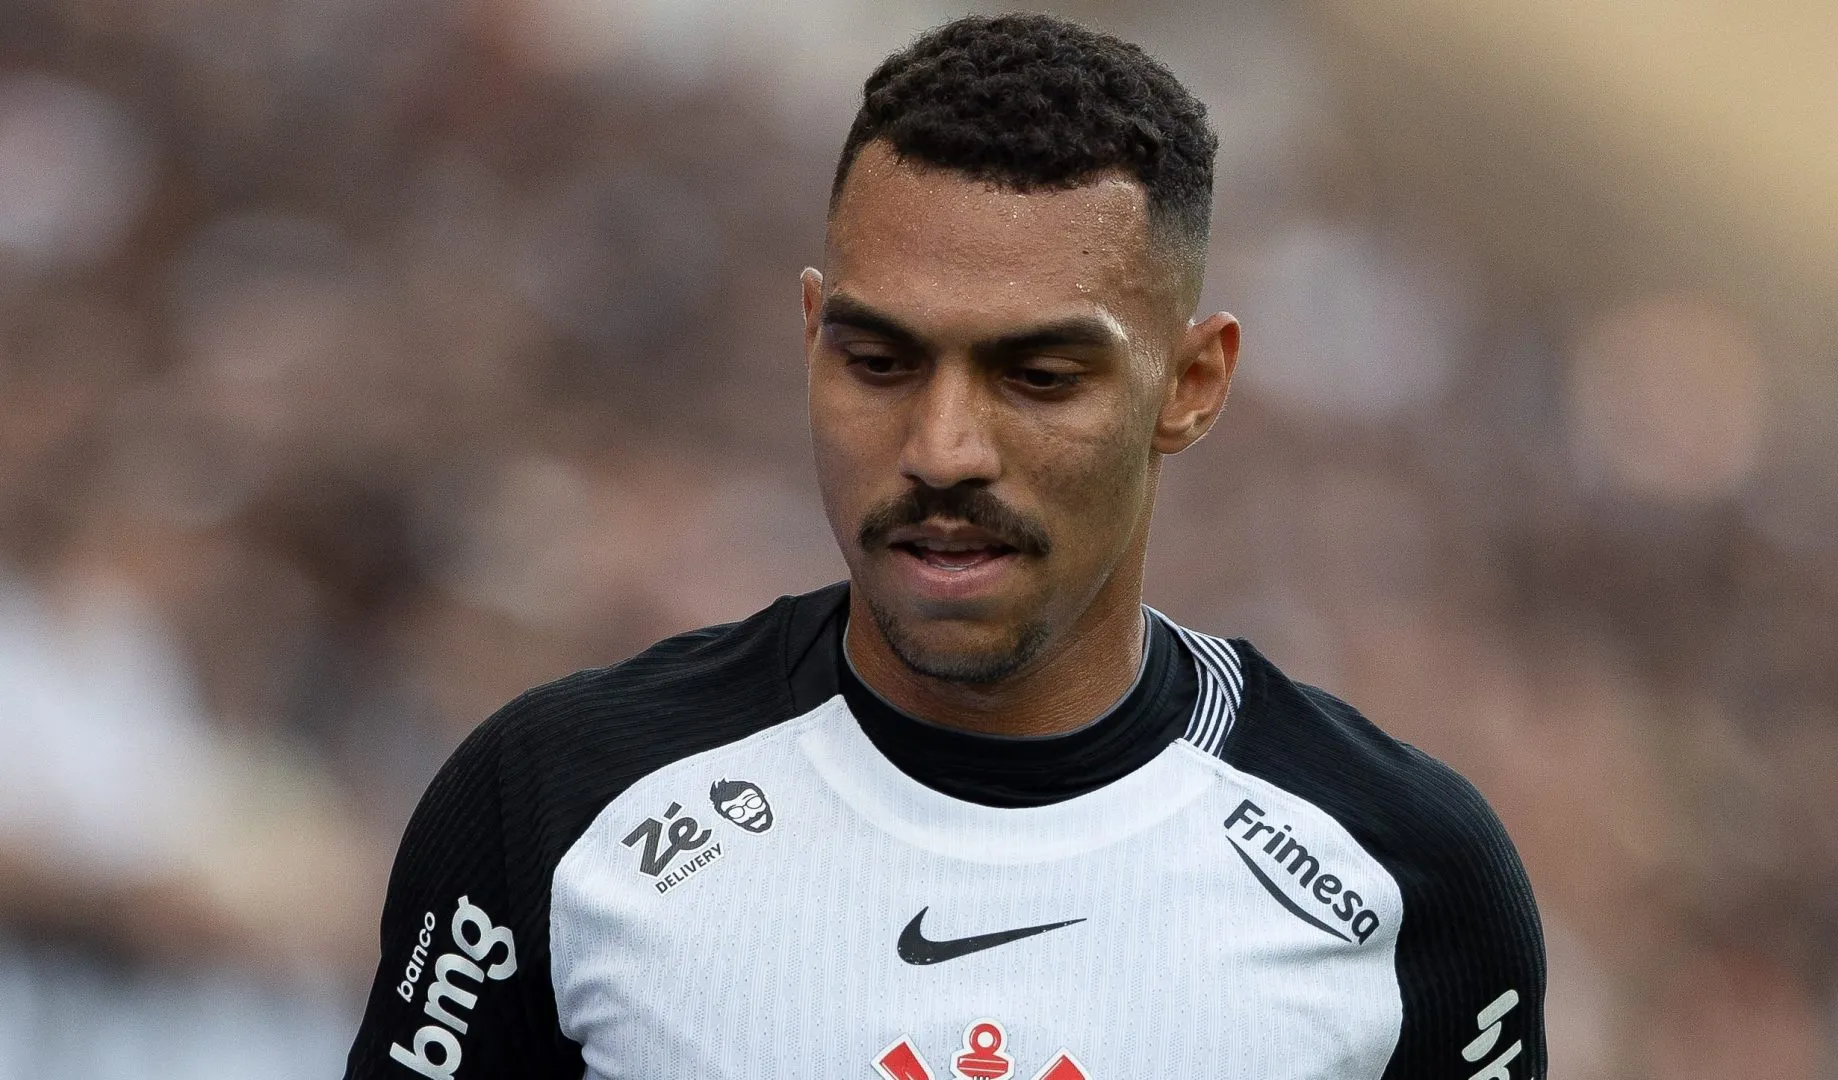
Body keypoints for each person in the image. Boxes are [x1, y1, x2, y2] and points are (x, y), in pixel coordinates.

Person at [344, 13, 1546, 1079]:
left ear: (1190, 385)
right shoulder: (556, 803)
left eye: (1039, 376)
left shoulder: (1404, 875)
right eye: (879, 362)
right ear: (810, 340)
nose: (943, 450)